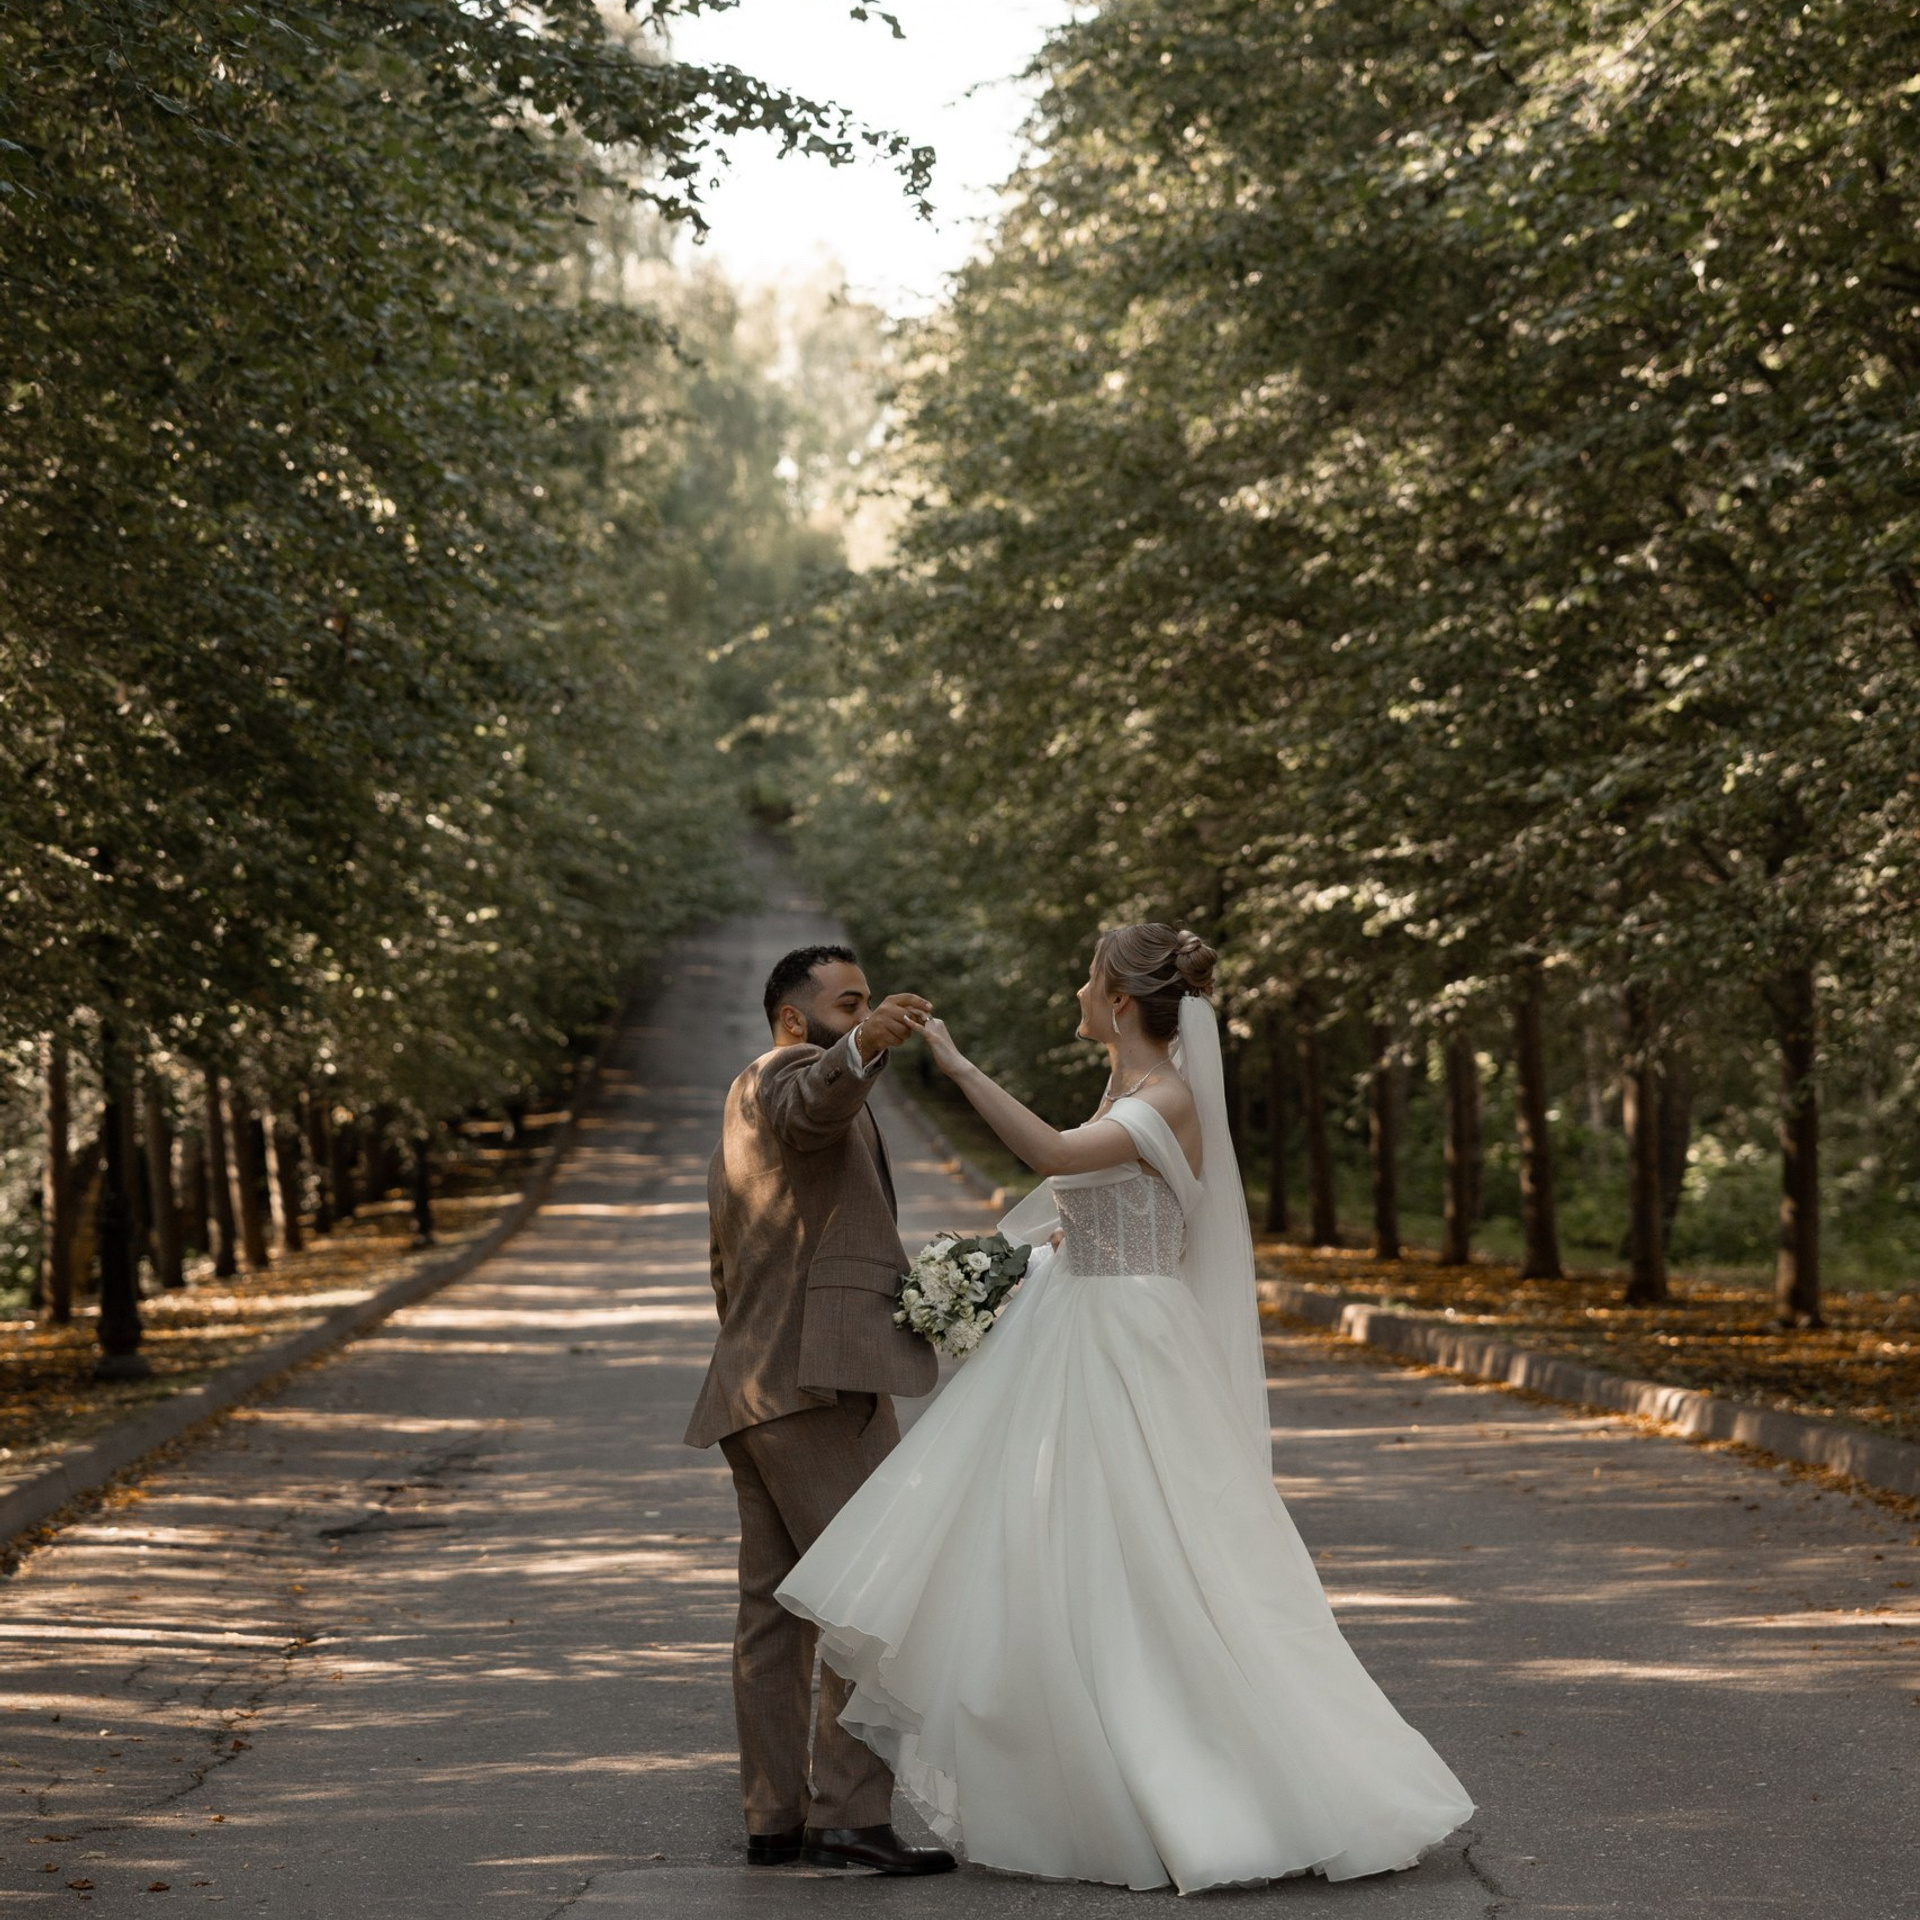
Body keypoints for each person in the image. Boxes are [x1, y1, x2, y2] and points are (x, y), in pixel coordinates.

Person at [777, 924, 1475, 1892]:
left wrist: (957, 1064)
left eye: (1087, 976)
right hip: (1078, 1324)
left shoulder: (1167, 1098)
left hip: (1132, 1343)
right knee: (1075, 1559)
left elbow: (1058, 1157)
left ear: (1116, 1001)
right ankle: (1101, 1777)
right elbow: (1087, 1212)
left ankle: (1250, 1788)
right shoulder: (1127, 1088)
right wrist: (1006, 1270)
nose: (1077, 988)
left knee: (1165, 1555)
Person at [685, 943, 956, 1876]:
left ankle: (776, 1817)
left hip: (754, 1386)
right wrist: (859, 1051)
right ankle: (848, 1815)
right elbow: (818, 1105)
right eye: (849, 1002)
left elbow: (730, 1261)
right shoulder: (794, 1075)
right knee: (869, 1596)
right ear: (796, 1021)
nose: (868, 1012)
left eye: (870, 1000)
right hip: (814, 1388)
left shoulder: (738, 1098)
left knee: (774, 1611)